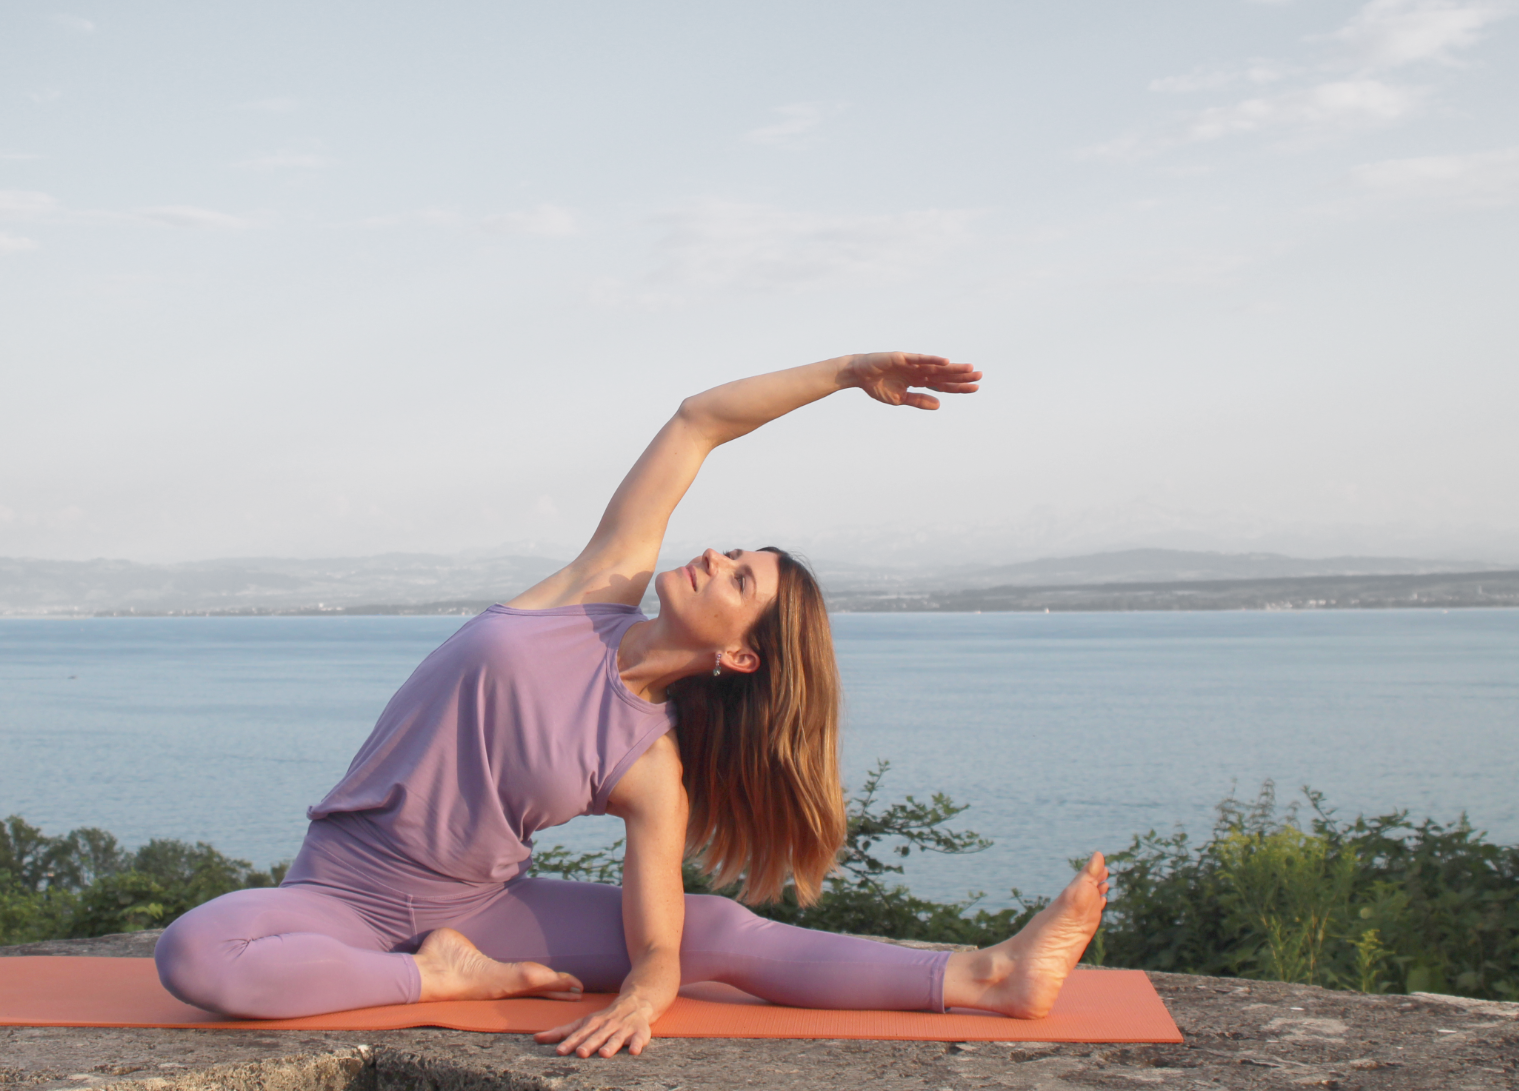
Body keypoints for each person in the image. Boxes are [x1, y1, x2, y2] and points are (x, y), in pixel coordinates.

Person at [155, 352, 1109, 1058]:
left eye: (738, 577)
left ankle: (989, 976)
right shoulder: (593, 587)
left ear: (740, 654)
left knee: (716, 933)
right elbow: (699, 420)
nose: (711, 556)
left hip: (480, 909)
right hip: (336, 894)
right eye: (731, 549)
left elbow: (658, 944)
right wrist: (850, 373)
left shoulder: (650, 767)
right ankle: (437, 979)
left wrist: (647, 999)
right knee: (198, 954)